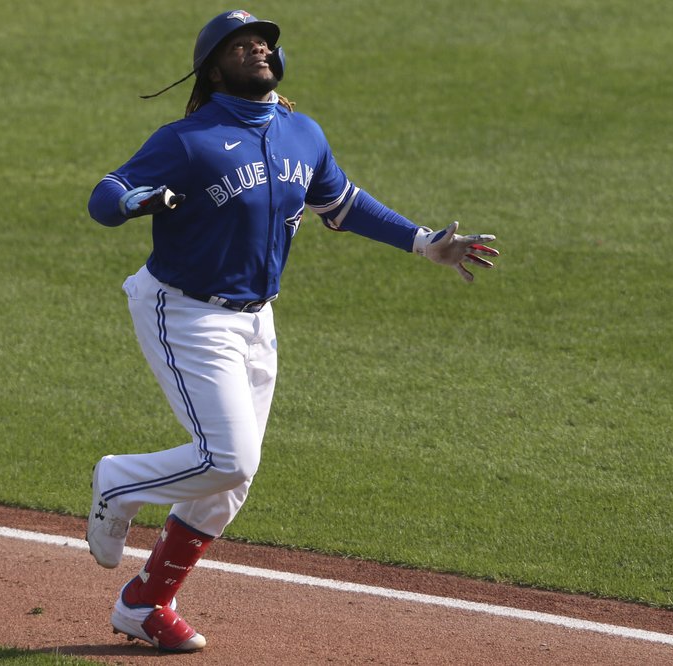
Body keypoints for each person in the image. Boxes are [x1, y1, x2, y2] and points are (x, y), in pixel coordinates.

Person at [85, 9, 499, 652]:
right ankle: (119, 481)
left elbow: (343, 205)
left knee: (231, 483)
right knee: (227, 459)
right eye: (239, 43)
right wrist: (140, 200)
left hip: (256, 319)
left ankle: (146, 602)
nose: (257, 47)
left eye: (263, 42)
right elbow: (105, 195)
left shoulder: (302, 133)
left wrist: (424, 243)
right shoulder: (188, 139)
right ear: (213, 67)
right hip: (186, 311)